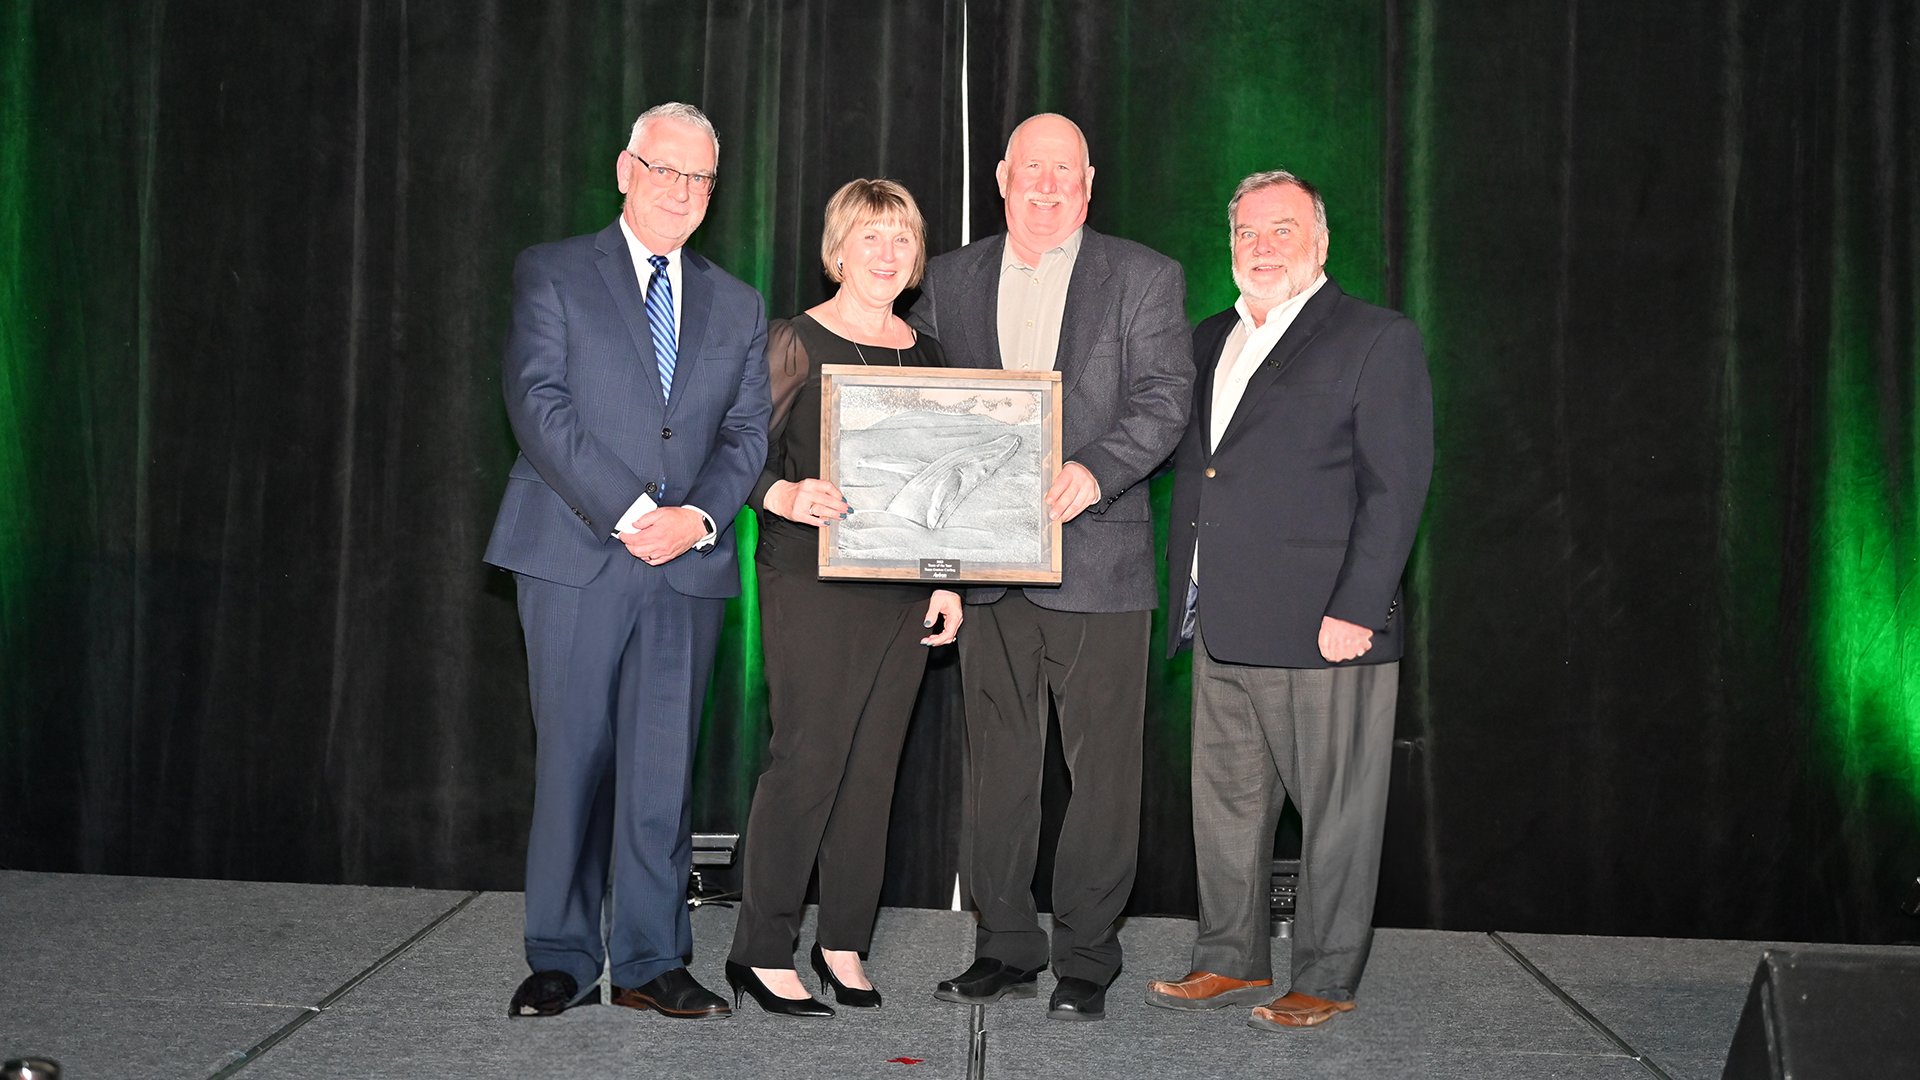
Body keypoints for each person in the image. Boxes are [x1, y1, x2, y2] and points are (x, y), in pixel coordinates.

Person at [485, 102, 770, 1022]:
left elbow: (746, 434)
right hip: (576, 551)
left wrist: (695, 520)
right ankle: (561, 956)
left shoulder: (738, 301)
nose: (682, 192)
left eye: (700, 179)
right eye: (666, 170)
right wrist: (635, 510)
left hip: (684, 565)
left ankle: (651, 959)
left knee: (662, 771)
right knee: (571, 758)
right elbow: (538, 404)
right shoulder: (554, 271)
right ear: (625, 168)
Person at [909, 113, 1194, 1022]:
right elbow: (917, 403)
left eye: (1064, 171)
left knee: (1102, 772)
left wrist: (1096, 470)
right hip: (988, 566)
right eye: (1031, 169)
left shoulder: (1144, 277)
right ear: (1001, 176)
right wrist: (934, 557)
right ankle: (1003, 944)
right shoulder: (949, 280)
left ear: (1089, 180)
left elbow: (1165, 399)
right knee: (997, 767)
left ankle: (1086, 957)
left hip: (1099, 562)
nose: (1046, 186)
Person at [1145, 170, 1432, 1030]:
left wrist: (1359, 607)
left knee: (1338, 816)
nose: (1261, 246)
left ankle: (1325, 976)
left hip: (1324, 627)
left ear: (1321, 240)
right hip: (1220, 618)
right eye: (1245, 232)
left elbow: (1398, 485)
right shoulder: (1205, 338)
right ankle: (1230, 959)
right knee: (1225, 808)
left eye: (1281, 229)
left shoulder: (1376, 338)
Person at [725, 179, 963, 1017]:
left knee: (873, 771)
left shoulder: (927, 351)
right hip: (810, 582)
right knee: (810, 761)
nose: (886, 254)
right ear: (839, 249)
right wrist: (778, 496)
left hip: (899, 590)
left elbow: (941, 484)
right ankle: (761, 948)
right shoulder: (795, 340)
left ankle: (842, 941)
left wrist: (946, 578)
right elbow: (735, 452)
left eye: (901, 239)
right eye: (869, 238)